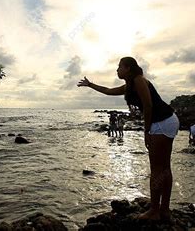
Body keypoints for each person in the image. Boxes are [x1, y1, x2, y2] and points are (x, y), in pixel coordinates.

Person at [77, 57, 179, 220]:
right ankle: (164, 210)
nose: (117, 70)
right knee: (165, 168)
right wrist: (90, 85)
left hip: (161, 122)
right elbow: (109, 91)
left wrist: (146, 131)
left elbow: (148, 105)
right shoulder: (130, 85)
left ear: (128, 68)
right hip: (167, 120)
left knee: (157, 169)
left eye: (119, 67)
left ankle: (154, 211)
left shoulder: (138, 80)